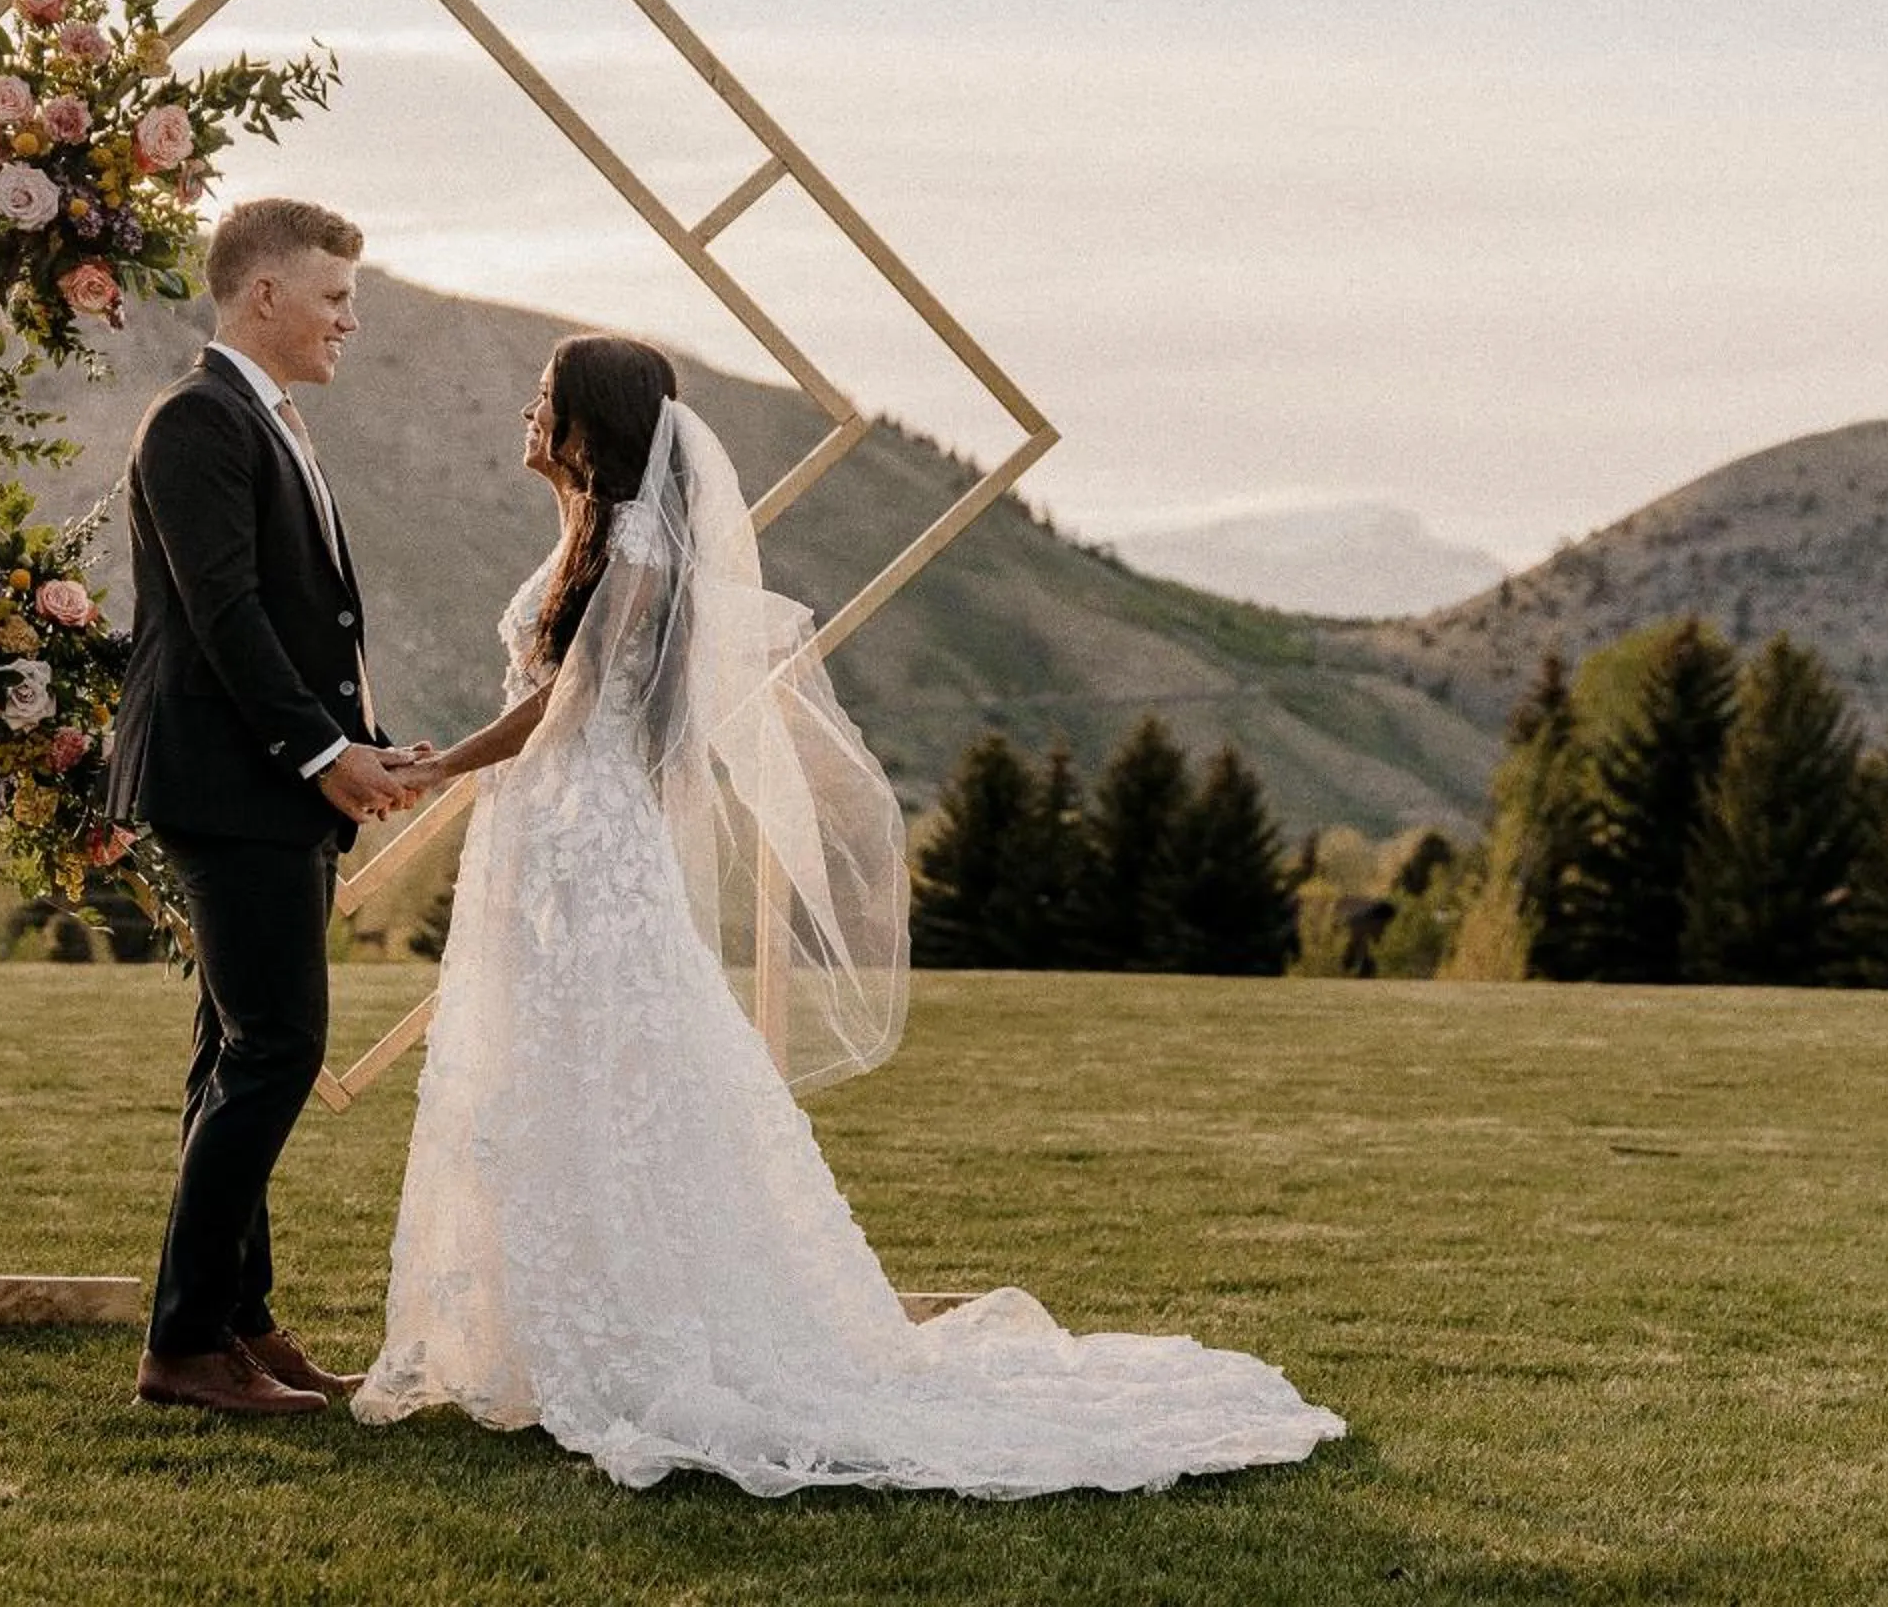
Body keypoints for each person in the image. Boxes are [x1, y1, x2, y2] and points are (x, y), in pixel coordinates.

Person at [350, 332, 1347, 1494]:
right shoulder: (593, 537)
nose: (525, 415)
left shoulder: (636, 555)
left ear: (591, 427)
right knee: (550, 1066)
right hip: (548, 829)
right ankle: (534, 1331)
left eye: (544, 402)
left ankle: (638, 1336)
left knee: (610, 1065)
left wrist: (433, 770)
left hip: (584, 835)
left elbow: (567, 712)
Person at [110, 197, 437, 1416]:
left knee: (235, 1050)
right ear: (263, 296)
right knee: (279, 1047)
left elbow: (300, 620)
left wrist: (356, 742)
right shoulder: (199, 418)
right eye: (335, 296)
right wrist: (321, 756)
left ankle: (239, 1326)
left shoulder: (266, 417)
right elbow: (223, 612)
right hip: (228, 782)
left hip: (266, 778)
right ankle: (185, 1346)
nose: (352, 318)